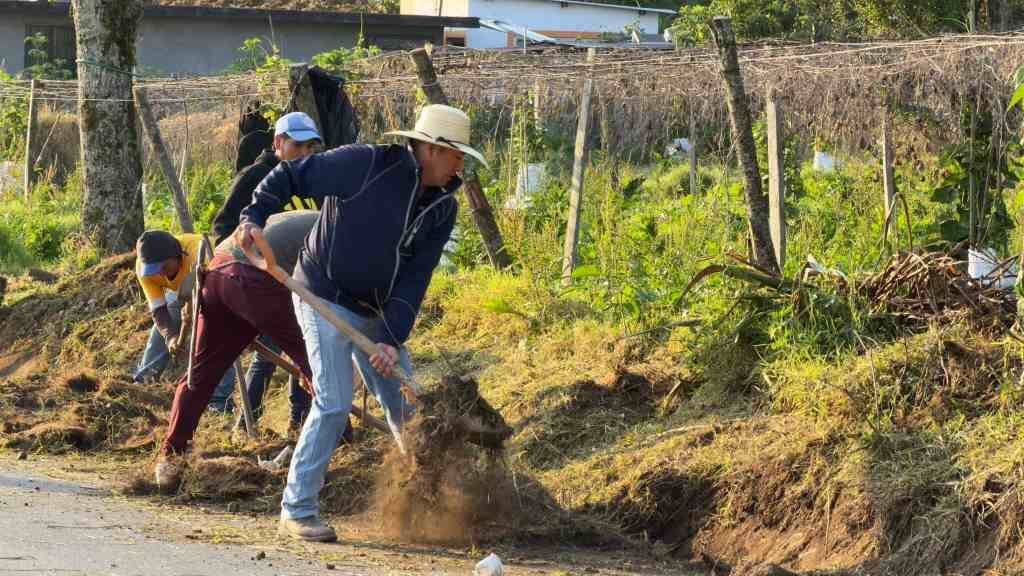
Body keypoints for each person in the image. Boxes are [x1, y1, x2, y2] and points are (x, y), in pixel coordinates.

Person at [235, 104, 486, 542]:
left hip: (378, 313)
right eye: (455, 155)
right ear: (430, 149)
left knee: (407, 411)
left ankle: (427, 501)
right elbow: (290, 175)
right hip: (321, 294)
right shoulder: (365, 164)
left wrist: (390, 339)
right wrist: (252, 219)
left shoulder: (442, 207)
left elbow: (414, 278)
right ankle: (297, 509)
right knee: (333, 402)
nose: (460, 165)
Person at [153, 211, 323, 489]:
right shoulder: (337, 229)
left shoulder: (298, 216)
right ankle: (338, 443)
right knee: (317, 361)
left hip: (216, 277)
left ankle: (170, 459)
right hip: (251, 279)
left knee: (200, 374)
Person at [212, 111, 323, 434]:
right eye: (298, 146)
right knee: (269, 353)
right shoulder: (255, 176)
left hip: (302, 276)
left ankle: (298, 419)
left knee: (303, 347)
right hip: (261, 277)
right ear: (278, 142)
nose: (304, 153)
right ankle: (247, 423)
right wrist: (245, 259)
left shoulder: (312, 176)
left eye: (310, 147)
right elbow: (223, 225)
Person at [133, 230, 236, 412]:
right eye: (154, 269)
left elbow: (203, 294)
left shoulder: (199, 251)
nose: (159, 273)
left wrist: (191, 319)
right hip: (183, 291)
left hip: (220, 284)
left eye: (163, 267)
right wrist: (172, 337)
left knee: (217, 336)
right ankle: (143, 384)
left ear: (178, 256)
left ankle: (220, 402)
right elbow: (158, 310)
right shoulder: (144, 269)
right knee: (160, 332)